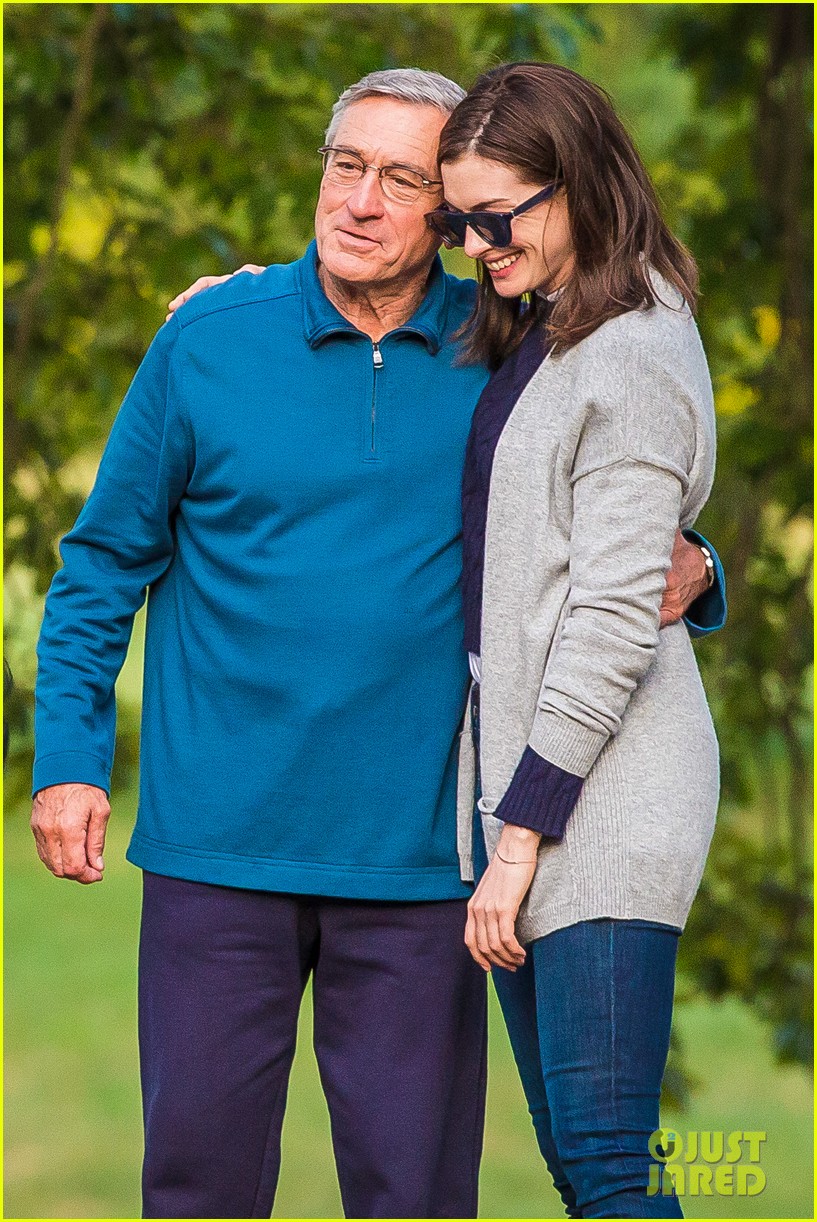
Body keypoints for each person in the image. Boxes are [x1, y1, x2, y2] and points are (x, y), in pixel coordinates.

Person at [32, 68, 723, 1219]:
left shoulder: (516, 352)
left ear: (451, 213)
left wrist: (697, 563)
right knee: (194, 1189)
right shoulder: (209, 338)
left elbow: (614, 475)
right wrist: (67, 755)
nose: (359, 200)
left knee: (414, 1198)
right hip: (217, 852)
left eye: (402, 180)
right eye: (344, 166)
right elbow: (101, 561)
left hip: (423, 864)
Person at [429, 61, 723, 1218]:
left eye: (495, 219)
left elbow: (608, 623)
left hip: (601, 801)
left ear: (578, 187)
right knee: (582, 1169)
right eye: (458, 222)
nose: (474, 246)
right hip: (539, 800)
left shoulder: (634, 349)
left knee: (607, 1165)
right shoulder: (549, 324)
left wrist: (516, 838)